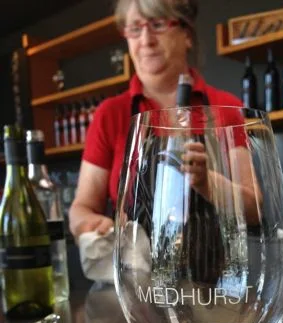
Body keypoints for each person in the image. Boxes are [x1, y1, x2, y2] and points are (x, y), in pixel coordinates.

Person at [68, 0, 259, 239]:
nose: (146, 40)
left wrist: (208, 184)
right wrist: (93, 225)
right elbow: (81, 209)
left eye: (157, 25)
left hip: (214, 263)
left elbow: (255, 210)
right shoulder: (110, 114)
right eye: (135, 29)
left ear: (187, 34)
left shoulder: (226, 108)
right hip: (134, 262)